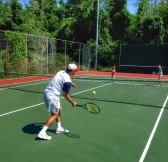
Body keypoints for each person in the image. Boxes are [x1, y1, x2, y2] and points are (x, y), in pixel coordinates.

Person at [37, 64, 78, 140]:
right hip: (53, 96)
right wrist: (72, 102)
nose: (76, 72)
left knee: (59, 110)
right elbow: (65, 95)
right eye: (76, 70)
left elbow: (61, 79)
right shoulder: (67, 81)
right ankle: (42, 133)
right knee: (54, 115)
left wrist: (71, 84)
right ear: (73, 71)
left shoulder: (61, 72)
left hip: (48, 93)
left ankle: (58, 128)